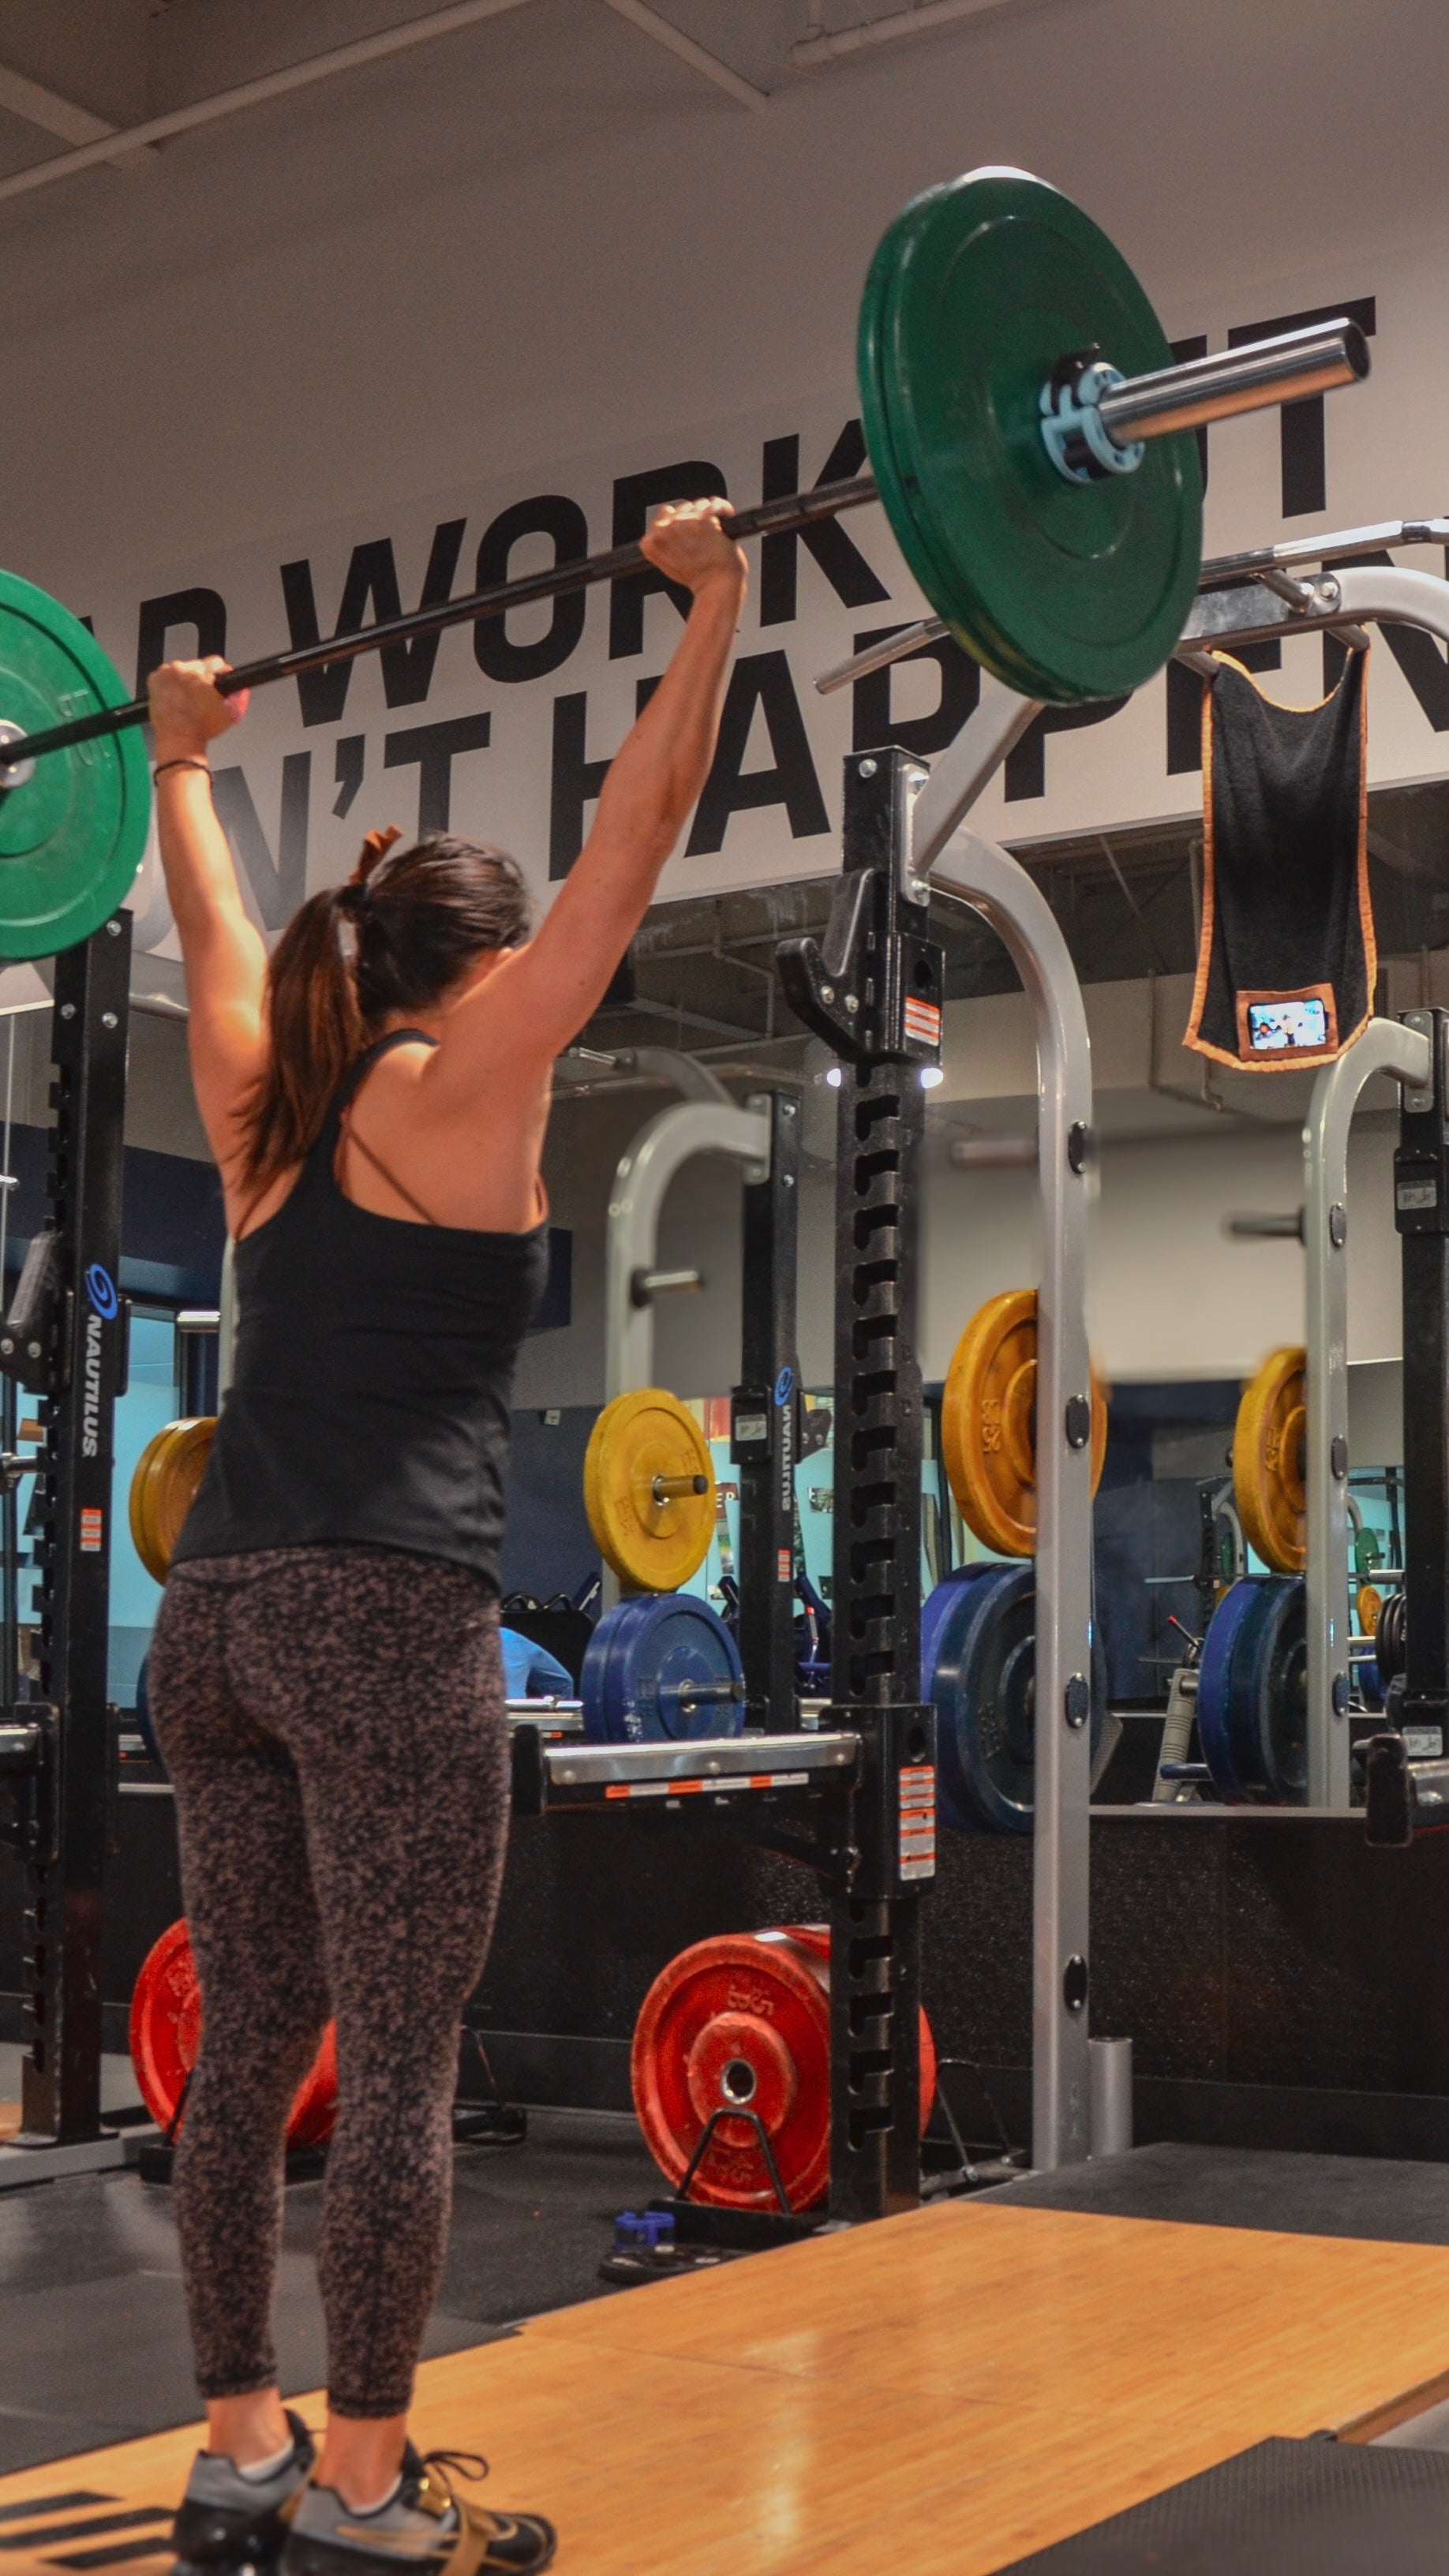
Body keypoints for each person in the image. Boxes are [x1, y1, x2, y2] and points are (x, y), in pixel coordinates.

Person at [144, 499, 748, 2576]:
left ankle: (238, 2452)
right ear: (480, 976)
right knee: (397, 2061)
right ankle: (370, 2492)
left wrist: (179, 761)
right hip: (378, 1614)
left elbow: (213, 931)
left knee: (247, 2050)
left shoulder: (262, 1102)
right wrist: (716, 606)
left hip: (209, 1614)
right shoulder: (472, 1073)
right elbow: (635, 845)